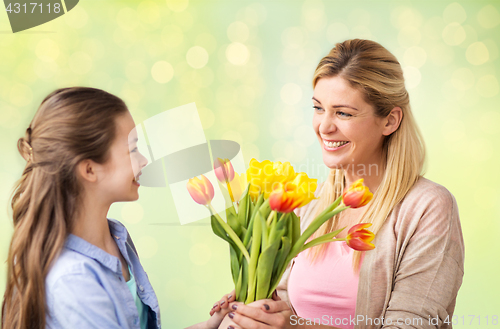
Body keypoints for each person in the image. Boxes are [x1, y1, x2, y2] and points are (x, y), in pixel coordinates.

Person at [212, 39, 465, 329]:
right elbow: (289, 306)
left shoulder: (427, 207)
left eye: (343, 113)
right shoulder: (308, 203)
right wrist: (259, 304)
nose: (324, 126)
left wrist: (295, 327)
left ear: (390, 120)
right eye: (318, 108)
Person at [1, 87, 231, 329]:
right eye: (132, 149)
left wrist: (211, 326)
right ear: (89, 170)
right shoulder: (74, 280)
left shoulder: (117, 238)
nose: (143, 160)